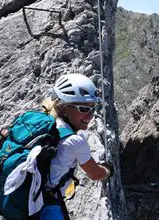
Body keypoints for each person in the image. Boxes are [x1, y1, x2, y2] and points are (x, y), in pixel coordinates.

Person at [38, 73, 113, 220]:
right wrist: (109, 169)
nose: (90, 116)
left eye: (92, 108)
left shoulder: (44, 121)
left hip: (25, 201)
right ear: (64, 108)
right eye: (83, 109)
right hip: (44, 208)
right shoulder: (75, 142)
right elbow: (96, 174)